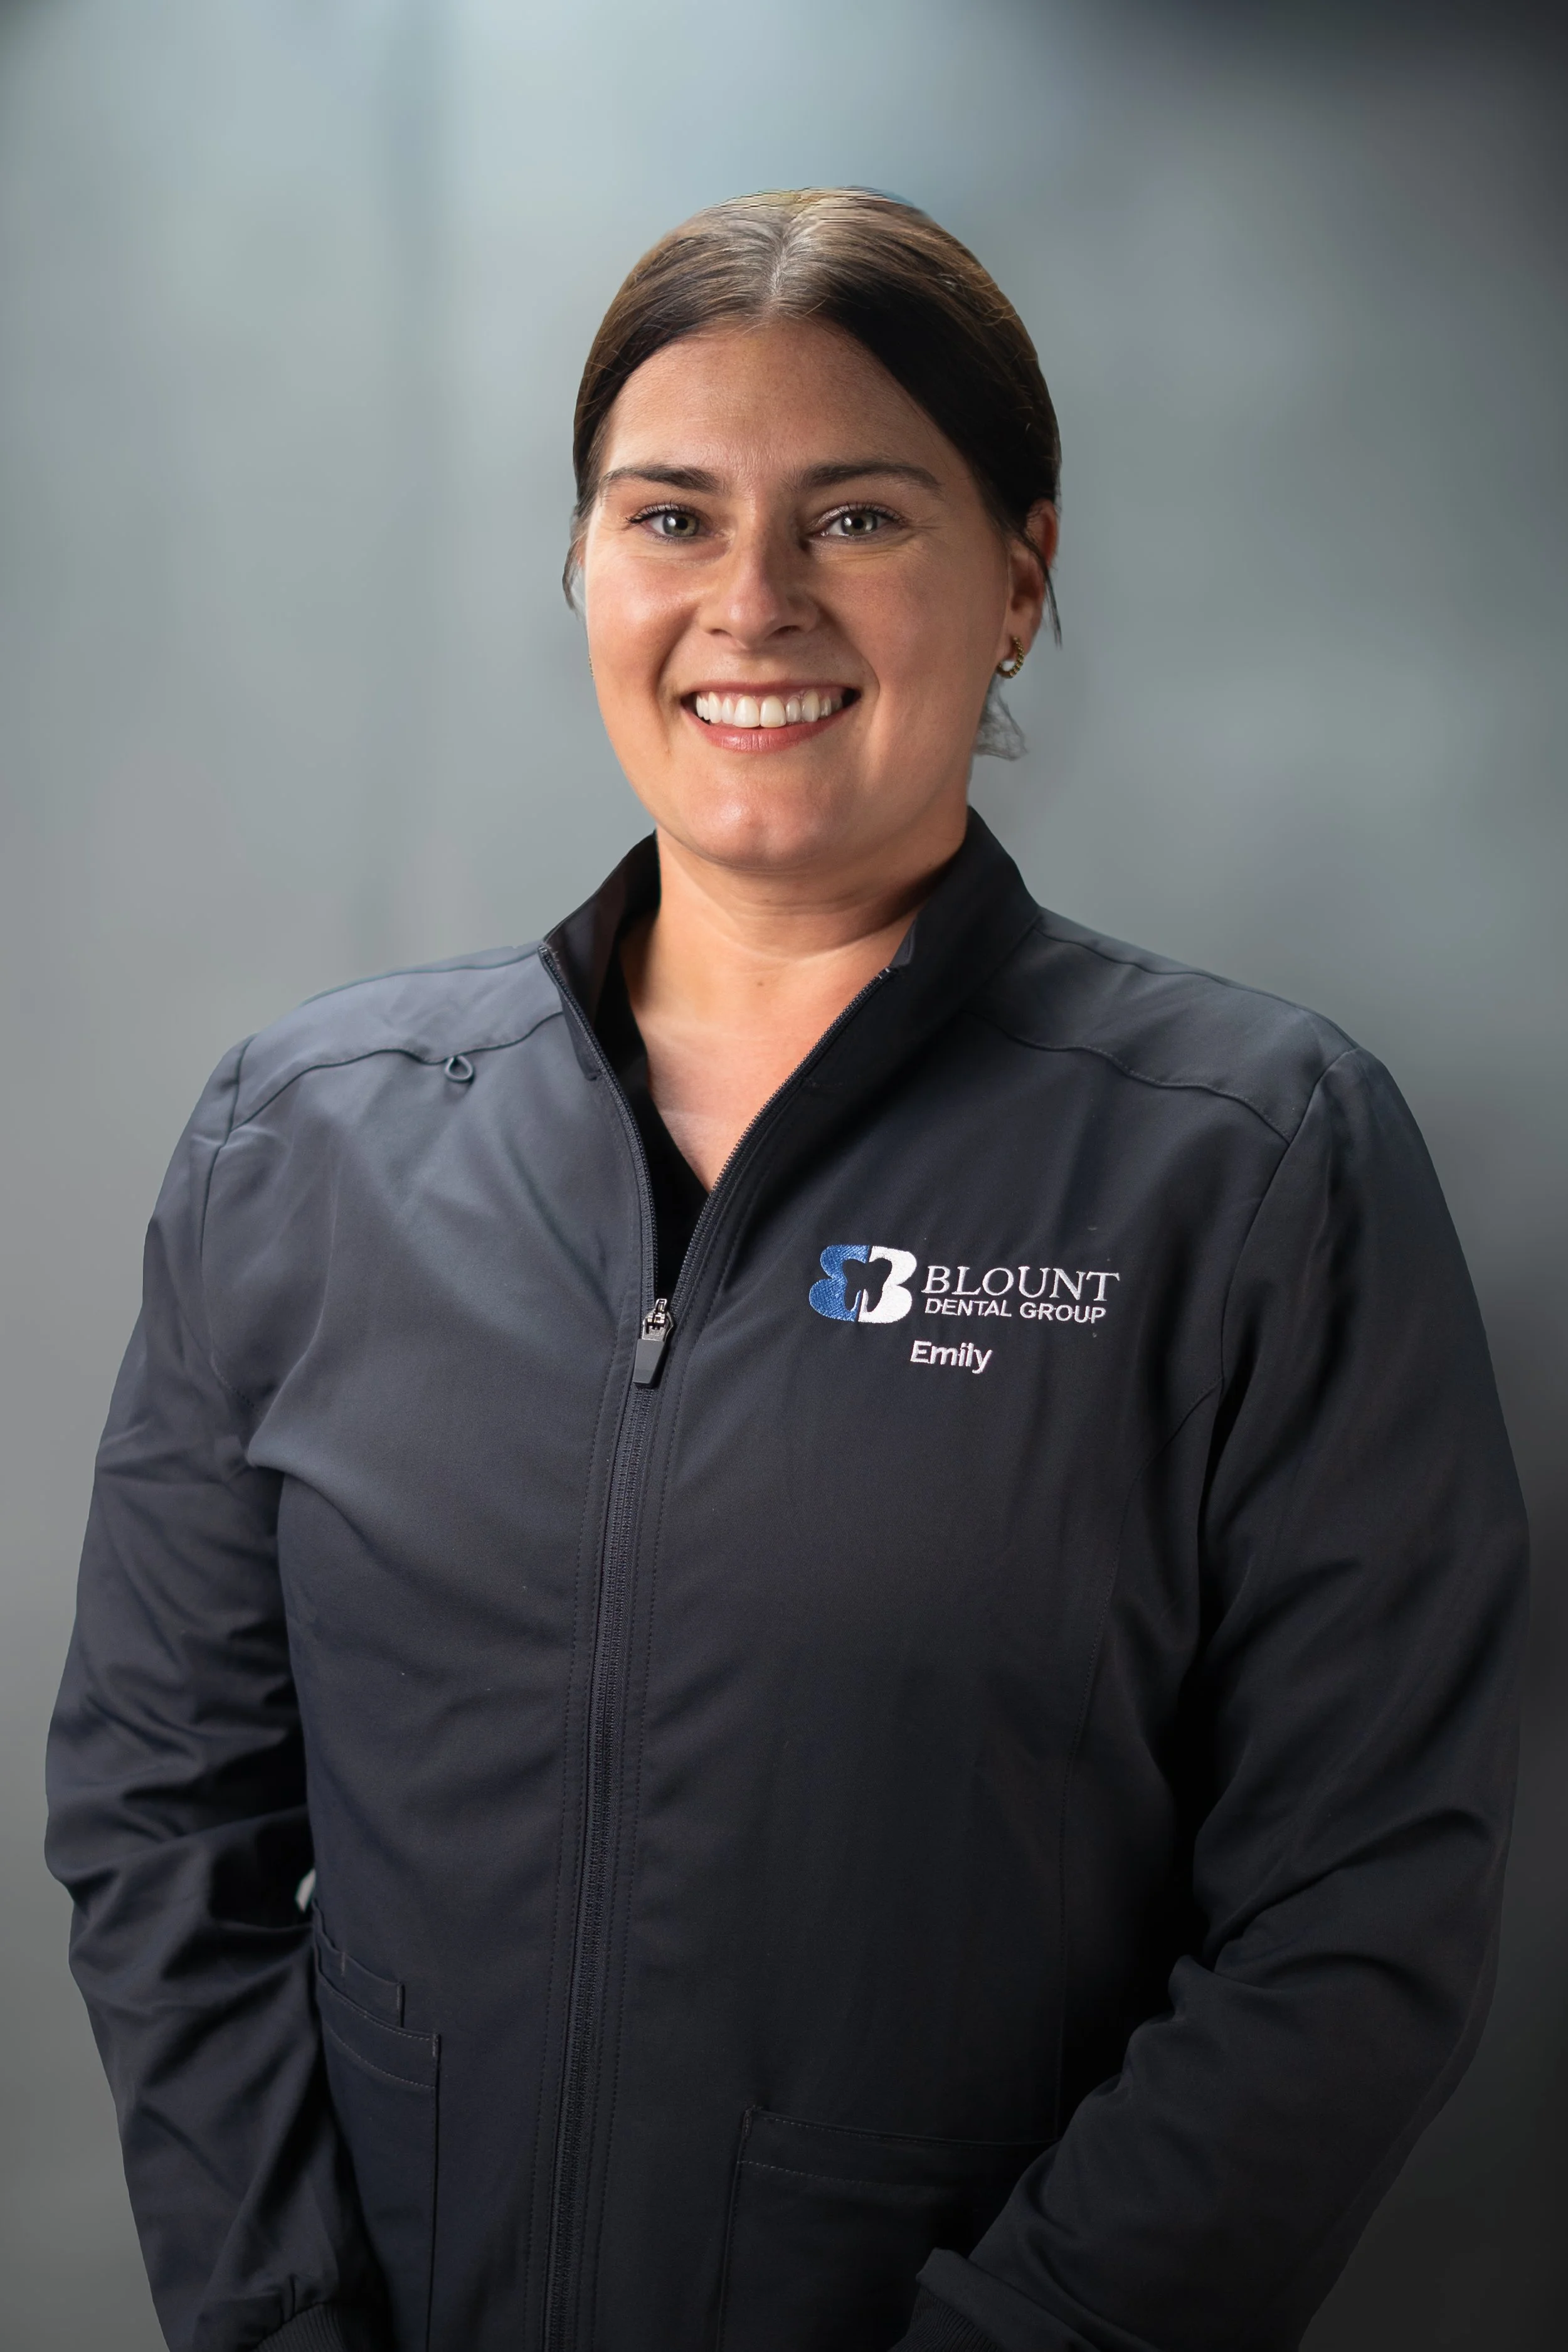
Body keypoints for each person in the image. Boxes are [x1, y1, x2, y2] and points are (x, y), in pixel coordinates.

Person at [46, 189, 1527, 2352]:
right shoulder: (306, 1139)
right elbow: (158, 1818)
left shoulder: (1251, 1165)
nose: (748, 602)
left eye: (853, 519)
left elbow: (1360, 1906)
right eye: (668, 515)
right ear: (580, 566)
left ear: (1018, 576)